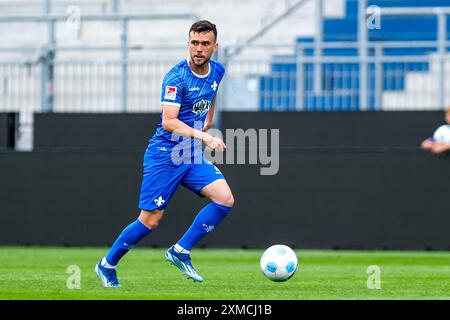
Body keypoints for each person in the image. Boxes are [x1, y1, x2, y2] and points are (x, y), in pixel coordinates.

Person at [95, 20, 234, 287]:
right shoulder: (176, 77)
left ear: (215, 47)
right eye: (194, 43)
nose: (199, 49)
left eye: (205, 44)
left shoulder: (217, 70)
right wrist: (206, 135)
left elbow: (213, 93)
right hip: (165, 154)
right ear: (188, 43)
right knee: (150, 220)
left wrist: (207, 121)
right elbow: (169, 121)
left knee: (225, 199)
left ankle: (180, 251)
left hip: (189, 153)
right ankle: (107, 264)